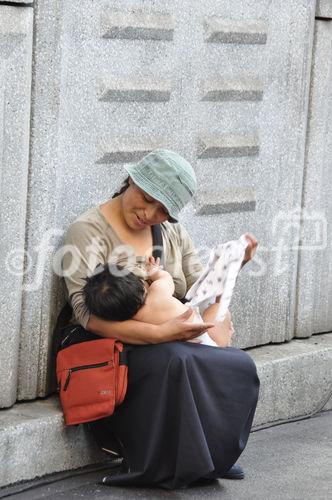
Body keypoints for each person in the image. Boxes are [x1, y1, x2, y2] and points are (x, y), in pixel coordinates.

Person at [60, 148, 260, 489]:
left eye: (163, 210)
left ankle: (210, 455)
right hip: (109, 341)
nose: (149, 214)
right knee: (177, 359)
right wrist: (163, 332)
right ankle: (159, 461)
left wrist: (231, 267)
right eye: (147, 199)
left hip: (168, 330)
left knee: (238, 364)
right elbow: (87, 316)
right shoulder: (88, 231)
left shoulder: (170, 233)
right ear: (131, 179)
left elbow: (199, 284)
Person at [82, 257, 235, 347]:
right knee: (216, 309)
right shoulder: (157, 292)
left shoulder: (134, 324)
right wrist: (154, 272)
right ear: (141, 284)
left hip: (193, 348)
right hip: (208, 341)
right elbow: (166, 278)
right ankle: (226, 335)